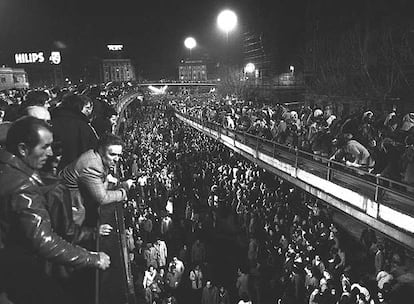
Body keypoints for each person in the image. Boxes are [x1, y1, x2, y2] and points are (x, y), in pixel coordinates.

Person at [0, 116, 110, 304]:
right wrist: (92, 258)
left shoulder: (7, 171)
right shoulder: (22, 187)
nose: (50, 153)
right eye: (44, 147)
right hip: (16, 272)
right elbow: (44, 241)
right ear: (23, 149)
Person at [61, 133, 135, 228]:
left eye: (119, 155)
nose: (116, 159)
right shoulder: (92, 166)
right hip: (72, 212)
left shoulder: (96, 157)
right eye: (112, 154)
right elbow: (102, 198)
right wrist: (124, 189)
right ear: (101, 150)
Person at [52, 94, 98, 170]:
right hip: (75, 174)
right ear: (79, 107)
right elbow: (93, 151)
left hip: (53, 173)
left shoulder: (51, 121)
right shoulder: (83, 126)